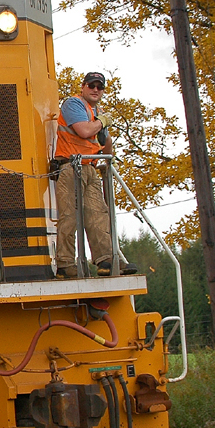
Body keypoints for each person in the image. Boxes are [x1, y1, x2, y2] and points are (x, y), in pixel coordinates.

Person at [53, 71, 137, 278]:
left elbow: (105, 141)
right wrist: (102, 122)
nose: (96, 90)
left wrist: (108, 161)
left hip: (90, 169)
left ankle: (105, 261)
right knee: (69, 217)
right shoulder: (73, 104)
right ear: (83, 87)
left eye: (100, 87)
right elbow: (83, 131)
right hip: (71, 167)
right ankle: (65, 264)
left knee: (98, 215)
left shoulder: (96, 113)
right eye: (92, 85)